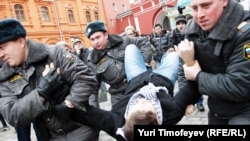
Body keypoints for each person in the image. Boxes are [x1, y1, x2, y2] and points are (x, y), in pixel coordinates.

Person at [0, 18, 100, 140]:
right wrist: (41, 93)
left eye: (2, 47)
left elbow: (86, 79)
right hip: (50, 136)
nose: (0, 55)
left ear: (21, 42)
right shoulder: (4, 77)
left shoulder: (54, 53)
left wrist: (69, 103)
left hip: (81, 131)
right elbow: (13, 116)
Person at [72, 45, 189, 141]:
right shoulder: (172, 113)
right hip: (164, 78)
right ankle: (161, 58)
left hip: (136, 78)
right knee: (173, 55)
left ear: (126, 121)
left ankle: (148, 66)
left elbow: (86, 114)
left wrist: (66, 101)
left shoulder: (117, 124)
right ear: (158, 121)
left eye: (136, 108)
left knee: (130, 47)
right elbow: (192, 89)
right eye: (148, 108)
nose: (142, 101)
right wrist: (190, 62)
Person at [174, 0, 250, 124]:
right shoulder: (192, 32)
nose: (199, 15)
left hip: (244, 111)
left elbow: (239, 86)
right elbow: (187, 76)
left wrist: (197, 74)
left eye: (206, 5)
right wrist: (171, 108)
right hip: (216, 111)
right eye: (194, 8)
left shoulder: (245, 33)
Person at [85, 20, 153, 106]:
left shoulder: (123, 41)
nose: (95, 42)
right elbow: (92, 88)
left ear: (106, 35)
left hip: (138, 85)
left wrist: (143, 64)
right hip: (118, 95)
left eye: (98, 37)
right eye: (92, 39)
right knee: (118, 118)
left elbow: (143, 42)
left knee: (147, 114)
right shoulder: (93, 60)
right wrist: (94, 112)